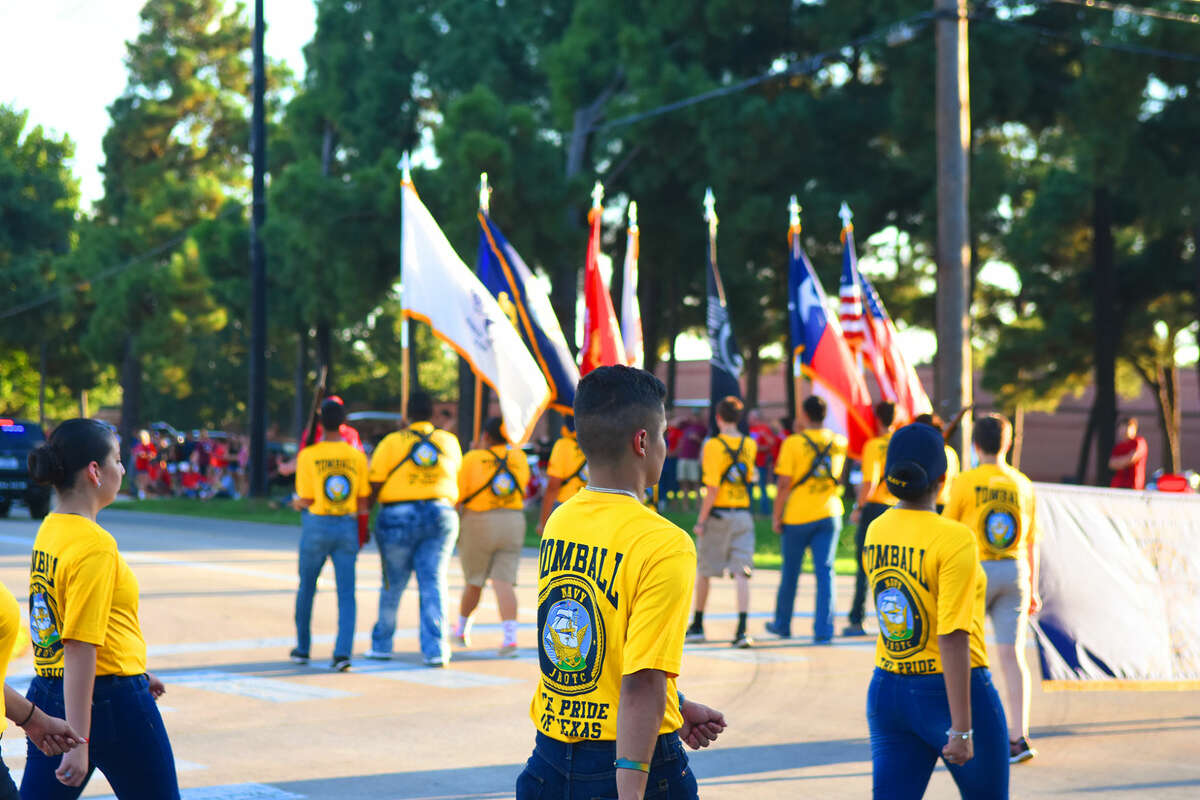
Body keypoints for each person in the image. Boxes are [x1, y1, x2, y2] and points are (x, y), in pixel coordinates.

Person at [515, 365, 727, 800]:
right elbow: (642, 682)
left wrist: (677, 705)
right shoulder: (664, 543)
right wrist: (630, 792)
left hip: (548, 760)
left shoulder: (561, 519)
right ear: (643, 441)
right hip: (630, 768)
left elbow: (605, 650)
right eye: (664, 434)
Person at [23, 418, 181, 798]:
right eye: (118, 460)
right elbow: (78, 644)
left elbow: (82, 621)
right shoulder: (94, 544)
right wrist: (79, 740)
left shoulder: (52, 528)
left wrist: (135, 670)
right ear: (95, 471)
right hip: (107, 701)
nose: (123, 470)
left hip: (51, 691)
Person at [865, 422, 1009, 799]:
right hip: (951, 691)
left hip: (888, 686)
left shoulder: (876, 528)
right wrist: (962, 727)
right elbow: (953, 634)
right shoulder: (955, 538)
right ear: (943, 479)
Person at [944, 414, 1041, 764]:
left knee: (963, 653)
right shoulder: (1023, 484)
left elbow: (948, 530)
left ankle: (961, 728)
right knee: (1012, 657)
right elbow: (1032, 541)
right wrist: (1032, 585)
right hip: (1014, 570)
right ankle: (1019, 736)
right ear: (1008, 441)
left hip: (976, 569)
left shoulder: (964, 482)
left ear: (974, 444)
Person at [365, 391, 462, 667]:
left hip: (398, 514)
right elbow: (456, 476)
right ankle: (435, 649)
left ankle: (382, 644)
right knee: (433, 581)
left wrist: (366, 515)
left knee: (392, 584)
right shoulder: (448, 441)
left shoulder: (392, 442)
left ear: (406, 414)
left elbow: (375, 481)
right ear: (432, 413)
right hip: (441, 512)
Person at [289, 399, 371, 672]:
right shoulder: (357, 456)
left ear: (320, 423)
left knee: (307, 587)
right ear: (344, 423)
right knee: (347, 593)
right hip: (346, 524)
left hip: (317, 525)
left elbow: (307, 497)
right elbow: (362, 501)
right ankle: (342, 652)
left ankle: (303, 647)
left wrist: (296, 503)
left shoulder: (309, 455)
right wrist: (362, 530)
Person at [767, 395, 848, 643]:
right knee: (825, 572)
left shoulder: (793, 443)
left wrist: (776, 515)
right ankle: (824, 630)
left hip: (798, 516)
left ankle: (783, 624)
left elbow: (783, 485)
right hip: (830, 512)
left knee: (791, 572)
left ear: (804, 414)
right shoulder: (839, 442)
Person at [452, 417, 531, 658]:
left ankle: (462, 629)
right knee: (504, 582)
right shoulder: (519, 457)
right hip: (513, 520)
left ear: (485, 435)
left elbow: (458, 494)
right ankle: (510, 639)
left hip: (479, 521)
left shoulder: (472, 459)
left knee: (474, 580)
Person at [686, 396, 757, 648]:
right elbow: (751, 476)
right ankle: (741, 628)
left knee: (705, 571)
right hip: (743, 514)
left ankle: (698, 623)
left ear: (718, 417)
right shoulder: (749, 444)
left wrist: (701, 521)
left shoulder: (713, 446)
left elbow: (712, 488)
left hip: (718, 514)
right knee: (741, 572)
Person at [846, 401, 899, 636]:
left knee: (865, 565)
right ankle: (894, 620)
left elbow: (870, 481)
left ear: (877, 419)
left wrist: (858, 507)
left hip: (874, 508)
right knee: (895, 567)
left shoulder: (873, 446)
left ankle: (857, 618)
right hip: (897, 508)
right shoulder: (900, 443)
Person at [536, 415, 587, 536]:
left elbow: (553, 487)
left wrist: (543, 523)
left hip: (565, 507)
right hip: (590, 507)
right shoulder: (597, 445)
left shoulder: (563, 445)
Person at [914, 413, 960, 514]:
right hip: (946, 505)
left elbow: (940, 482)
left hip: (929, 505)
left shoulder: (929, 452)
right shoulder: (950, 452)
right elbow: (954, 482)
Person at [747, 409, 779, 516]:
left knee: (762, 488)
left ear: (756, 417)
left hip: (761, 464)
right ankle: (749, 511)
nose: (749, 419)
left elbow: (771, 443)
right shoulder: (748, 429)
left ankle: (765, 512)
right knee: (749, 488)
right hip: (749, 464)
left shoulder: (764, 428)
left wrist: (757, 448)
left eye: (751, 417)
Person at [675, 412, 707, 512]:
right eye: (694, 415)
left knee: (696, 483)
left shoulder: (702, 429)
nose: (695, 418)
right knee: (683, 483)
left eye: (697, 415)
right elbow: (674, 423)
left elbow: (705, 443)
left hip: (693, 459)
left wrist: (697, 439)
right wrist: (685, 418)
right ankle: (685, 507)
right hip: (683, 458)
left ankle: (698, 506)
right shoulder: (686, 426)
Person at [1108, 416, 1148, 490]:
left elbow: (1131, 459)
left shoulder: (1139, 442)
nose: (1124, 430)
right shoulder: (1118, 446)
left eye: (1128, 427)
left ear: (1135, 429)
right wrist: (1124, 461)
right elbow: (1111, 464)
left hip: (1133, 486)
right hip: (1117, 485)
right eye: (1122, 428)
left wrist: (1119, 462)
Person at [130, 431, 155, 500]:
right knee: (139, 479)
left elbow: (153, 454)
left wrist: (146, 455)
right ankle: (140, 493)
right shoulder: (138, 445)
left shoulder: (150, 445)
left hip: (147, 465)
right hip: (139, 465)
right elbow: (134, 453)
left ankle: (143, 493)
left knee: (145, 480)